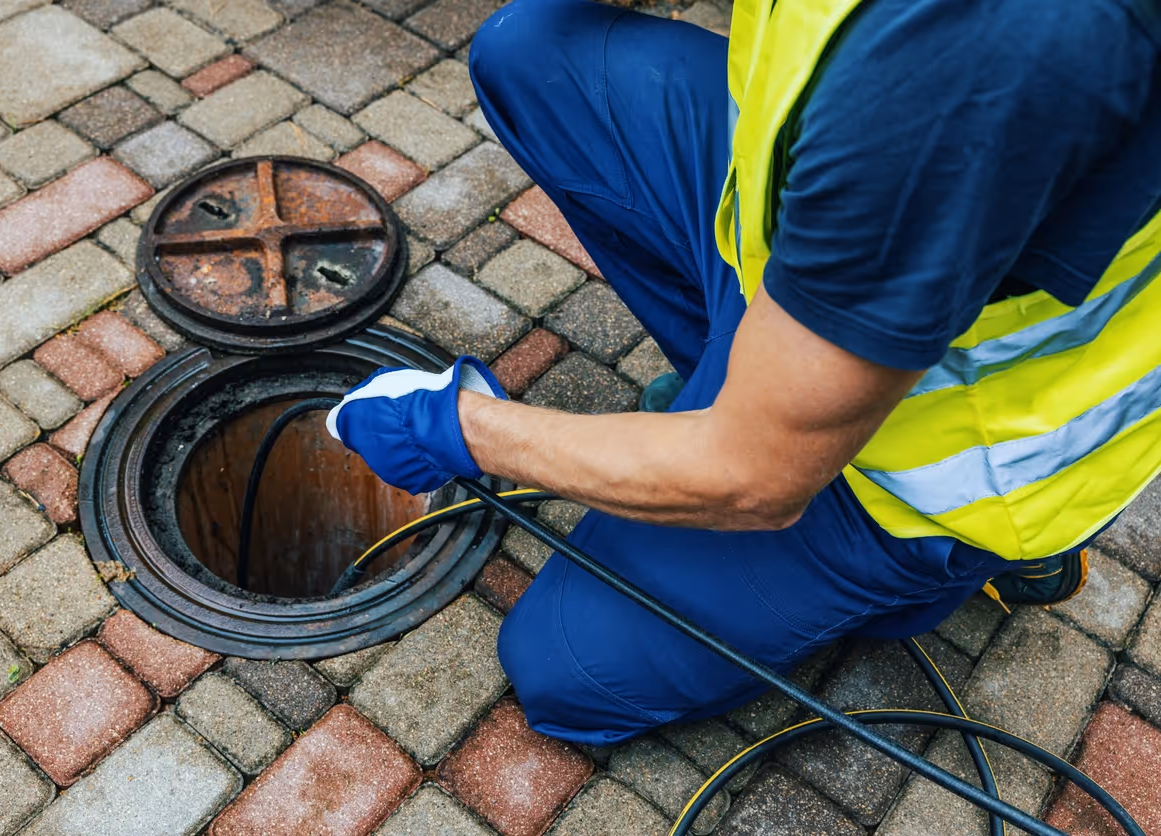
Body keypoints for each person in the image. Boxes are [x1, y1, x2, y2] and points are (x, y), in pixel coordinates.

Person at [327, 0, 1161, 746]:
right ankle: (749, 391)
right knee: (533, 50)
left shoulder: (976, 52)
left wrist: (456, 426)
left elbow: (753, 478)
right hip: (819, 248)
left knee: (567, 671)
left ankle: (934, 582)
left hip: (923, 467)